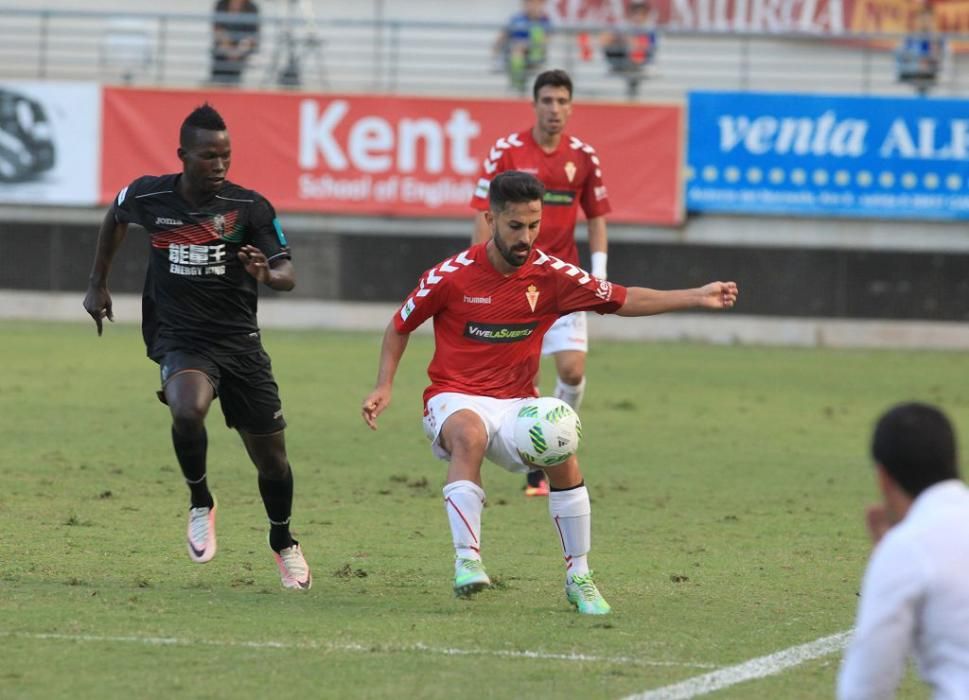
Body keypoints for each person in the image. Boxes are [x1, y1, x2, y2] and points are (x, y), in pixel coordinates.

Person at [362, 171, 738, 614]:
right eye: (515, 226)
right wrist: (385, 384)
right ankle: (468, 561)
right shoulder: (452, 275)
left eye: (534, 225)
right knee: (469, 436)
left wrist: (696, 296)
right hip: (454, 397)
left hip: (517, 401)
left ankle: (579, 576)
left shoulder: (551, 275)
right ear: (491, 219)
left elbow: (622, 299)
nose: (526, 237)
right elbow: (400, 325)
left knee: (562, 448)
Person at [82, 103, 311, 590]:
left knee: (273, 462)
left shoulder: (248, 207)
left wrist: (268, 274)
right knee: (187, 411)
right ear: (183, 155)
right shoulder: (151, 195)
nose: (220, 166)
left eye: (226, 157)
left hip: (240, 344)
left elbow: (287, 272)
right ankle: (201, 501)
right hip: (181, 339)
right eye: (209, 157)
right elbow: (115, 216)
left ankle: (283, 540)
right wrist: (97, 283)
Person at [471, 69, 609, 498]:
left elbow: (597, 216)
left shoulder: (584, 156)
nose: (554, 109)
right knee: (518, 372)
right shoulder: (507, 151)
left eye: (561, 101)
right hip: (515, 280)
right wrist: (482, 271)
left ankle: (554, 441)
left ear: (571, 106)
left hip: (561, 279)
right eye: (547, 101)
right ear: (534, 104)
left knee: (572, 369)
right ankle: (536, 460)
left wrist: (598, 271)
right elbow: (483, 212)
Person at [837, 402, 969, 698]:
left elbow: (866, 686)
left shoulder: (908, 546)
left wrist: (887, 559)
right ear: (954, 459)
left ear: (882, 476)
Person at [599, 1, 657, 98]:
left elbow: (648, 47)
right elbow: (605, 39)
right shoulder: (624, 26)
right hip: (622, 59)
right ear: (631, 14)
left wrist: (631, 41)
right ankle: (625, 68)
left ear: (646, 15)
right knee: (615, 40)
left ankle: (632, 78)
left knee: (636, 44)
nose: (638, 17)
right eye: (635, 13)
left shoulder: (650, 29)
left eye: (641, 14)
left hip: (641, 61)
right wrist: (623, 39)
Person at [494, 0, 552, 94]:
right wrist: (495, 50)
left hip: (535, 53)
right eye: (529, 3)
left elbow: (546, 39)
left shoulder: (544, 20)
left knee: (536, 30)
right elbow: (503, 35)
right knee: (516, 52)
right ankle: (518, 85)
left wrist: (526, 44)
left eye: (536, 3)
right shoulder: (516, 18)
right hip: (515, 53)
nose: (532, 6)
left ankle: (530, 65)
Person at [895, 2, 944, 96]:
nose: (925, 22)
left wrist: (930, 58)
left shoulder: (939, 40)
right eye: (922, 19)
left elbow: (942, 61)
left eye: (928, 19)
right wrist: (917, 63)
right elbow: (900, 58)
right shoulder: (910, 39)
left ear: (933, 21)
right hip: (913, 74)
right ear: (917, 20)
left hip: (932, 75)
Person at [210, 0, 260, 86]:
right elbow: (218, 30)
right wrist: (229, 50)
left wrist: (238, 51)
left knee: (235, 79)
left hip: (242, 53)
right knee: (218, 80)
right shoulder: (221, 4)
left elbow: (252, 36)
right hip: (222, 51)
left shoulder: (252, 7)